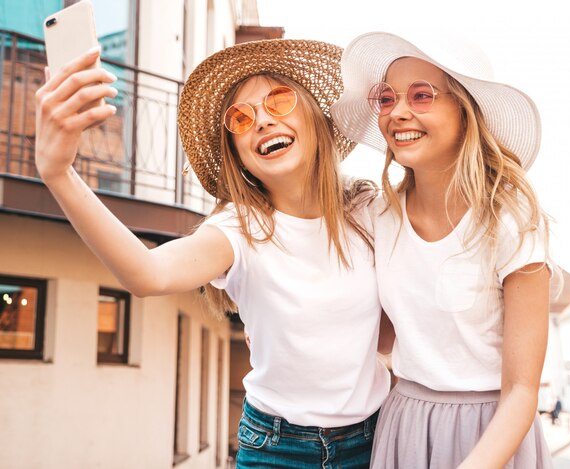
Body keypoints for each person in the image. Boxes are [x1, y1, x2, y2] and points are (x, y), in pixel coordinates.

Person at [35, 39, 390, 468]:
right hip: (278, 448)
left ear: (315, 115)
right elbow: (147, 274)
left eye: (278, 100)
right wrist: (58, 174)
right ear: (238, 156)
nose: (260, 120)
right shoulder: (239, 229)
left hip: (376, 436)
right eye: (240, 118)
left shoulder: (369, 211)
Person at [332, 32, 560, 468]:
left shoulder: (512, 222)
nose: (398, 112)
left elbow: (521, 391)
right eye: (386, 98)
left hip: (494, 435)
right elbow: (378, 335)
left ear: (465, 110)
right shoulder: (377, 218)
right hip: (405, 428)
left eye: (421, 96)